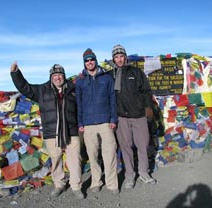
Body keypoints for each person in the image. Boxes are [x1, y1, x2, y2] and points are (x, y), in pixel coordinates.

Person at [10, 62, 84, 199]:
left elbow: (82, 107)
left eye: (60, 75)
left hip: (72, 131)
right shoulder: (42, 90)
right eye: (55, 75)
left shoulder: (73, 89)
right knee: (56, 160)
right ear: (51, 77)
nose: (58, 78)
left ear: (64, 76)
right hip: (52, 133)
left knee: (75, 160)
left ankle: (76, 186)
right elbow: (25, 88)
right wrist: (16, 73)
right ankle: (59, 184)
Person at [111, 44, 156, 189]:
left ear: (125, 57)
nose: (119, 59)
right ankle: (129, 176)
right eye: (116, 57)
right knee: (126, 147)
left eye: (121, 56)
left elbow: (146, 91)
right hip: (121, 117)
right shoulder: (110, 75)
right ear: (113, 59)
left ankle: (144, 172)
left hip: (138, 115)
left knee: (142, 145)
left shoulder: (136, 72)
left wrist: (148, 107)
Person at [76, 48, 119, 194]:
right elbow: (79, 103)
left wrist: (113, 118)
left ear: (95, 60)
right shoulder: (80, 81)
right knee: (92, 155)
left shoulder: (107, 78)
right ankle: (96, 181)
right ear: (84, 63)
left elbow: (113, 99)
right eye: (87, 61)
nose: (89, 62)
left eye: (91, 59)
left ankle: (112, 183)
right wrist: (80, 123)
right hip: (88, 124)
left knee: (110, 152)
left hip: (105, 121)